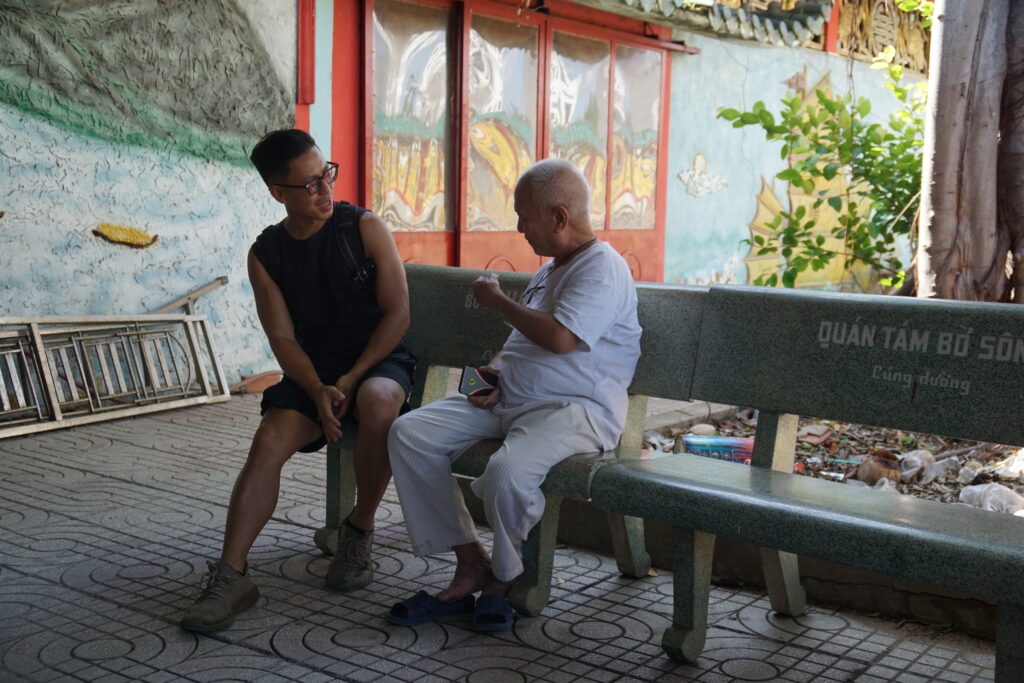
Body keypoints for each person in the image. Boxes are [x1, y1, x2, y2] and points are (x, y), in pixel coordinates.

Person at [386, 159, 641, 631]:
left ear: (559, 217)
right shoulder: (551, 269)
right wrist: (489, 376)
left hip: (573, 412)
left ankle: (503, 579)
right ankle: (470, 562)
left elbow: (563, 337)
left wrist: (498, 301)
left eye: (525, 216)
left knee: (506, 474)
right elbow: (519, 346)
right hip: (511, 398)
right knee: (410, 432)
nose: (519, 227)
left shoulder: (602, 268)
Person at [180, 129, 413, 631]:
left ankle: (358, 531)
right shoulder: (266, 254)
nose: (324, 190)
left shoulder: (364, 227)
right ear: (277, 194)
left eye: (326, 173)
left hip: (374, 363)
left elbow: (397, 314)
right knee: (268, 439)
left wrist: (349, 379)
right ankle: (231, 575)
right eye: (308, 184)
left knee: (379, 402)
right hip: (311, 373)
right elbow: (282, 340)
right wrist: (316, 389)